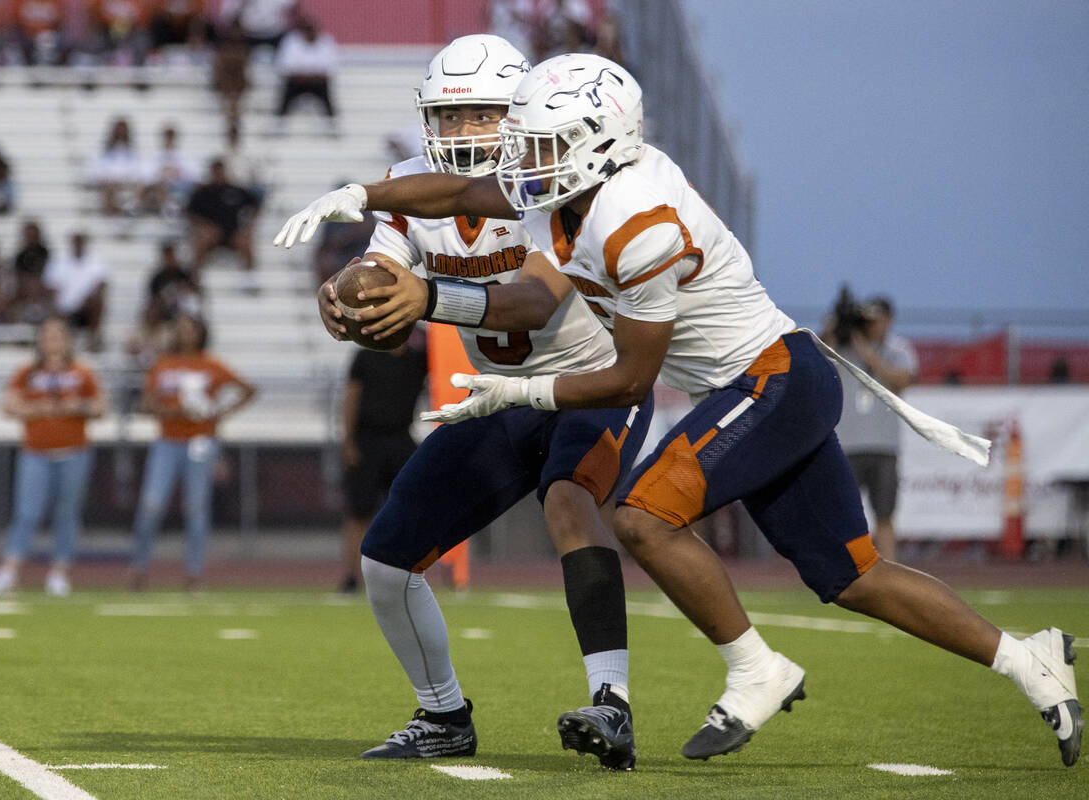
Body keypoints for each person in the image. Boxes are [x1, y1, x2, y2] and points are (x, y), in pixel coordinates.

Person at [275, 53, 1082, 767]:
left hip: (771, 379)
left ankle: (754, 668)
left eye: (540, 143)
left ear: (596, 140)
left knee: (645, 517)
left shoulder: (635, 224)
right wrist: (359, 193)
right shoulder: (575, 188)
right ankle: (1027, 658)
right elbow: (458, 184)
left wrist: (519, 389)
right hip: (757, 380)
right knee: (854, 576)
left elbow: (629, 381)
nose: (523, 160)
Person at [310, 36, 654, 770]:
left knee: (569, 500)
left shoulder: (557, 172)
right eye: (450, 115)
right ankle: (442, 716)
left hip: (590, 380)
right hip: (498, 398)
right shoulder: (412, 185)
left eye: (482, 114)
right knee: (387, 559)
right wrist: (345, 295)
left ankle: (612, 704)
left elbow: (533, 302)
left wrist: (429, 297)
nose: (464, 132)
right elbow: (380, 266)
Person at [130, 313, 256, 591]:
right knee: (151, 505)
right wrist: (174, 411)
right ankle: (140, 568)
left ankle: (194, 573)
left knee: (196, 507)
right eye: (181, 329)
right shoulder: (163, 364)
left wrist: (221, 413)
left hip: (201, 440)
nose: (185, 334)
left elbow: (248, 389)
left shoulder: (210, 364)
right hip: (168, 440)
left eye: (190, 329)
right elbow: (147, 404)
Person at [0, 316, 105, 597]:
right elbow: (10, 405)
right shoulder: (27, 372)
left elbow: (99, 406)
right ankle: (10, 569)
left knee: (66, 513)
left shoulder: (81, 372)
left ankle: (59, 572)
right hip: (36, 451)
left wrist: (76, 406)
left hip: (73, 451)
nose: (52, 340)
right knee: (27, 512)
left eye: (58, 334)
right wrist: (42, 408)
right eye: (47, 335)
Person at [826, 295, 917, 562]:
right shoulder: (844, 349)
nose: (871, 324)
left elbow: (904, 380)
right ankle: (842, 568)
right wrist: (833, 330)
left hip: (884, 446)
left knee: (885, 515)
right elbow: (819, 357)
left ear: (889, 319)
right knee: (843, 514)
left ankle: (890, 570)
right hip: (848, 445)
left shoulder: (898, 349)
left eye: (876, 319)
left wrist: (870, 355)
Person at [336, 331, 429, 594]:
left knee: (408, 509)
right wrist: (348, 440)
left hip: (400, 437)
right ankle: (352, 577)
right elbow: (352, 396)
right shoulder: (366, 356)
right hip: (367, 439)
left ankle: (403, 573)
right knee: (359, 511)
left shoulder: (419, 359)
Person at [186, 158, 260, 292]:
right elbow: (190, 213)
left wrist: (249, 224)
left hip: (232, 233)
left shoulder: (235, 190)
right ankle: (196, 277)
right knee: (201, 239)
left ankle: (249, 278)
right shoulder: (203, 193)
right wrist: (203, 226)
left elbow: (255, 204)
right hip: (211, 234)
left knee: (246, 239)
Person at [44, 231, 108, 351]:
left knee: (98, 303)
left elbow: (101, 285)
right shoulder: (59, 262)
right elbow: (50, 289)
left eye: (80, 242)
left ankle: (93, 339)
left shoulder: (96, 262)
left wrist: (86, 300)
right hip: (64, 308)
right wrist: (58, 306)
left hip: (86, 308)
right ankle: (59, 342)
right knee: (50, 306)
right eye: (75, 242)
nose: (78, 245)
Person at [272, 17, 338, 128]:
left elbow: (330, 70)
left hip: (317, 83)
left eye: (312, 29)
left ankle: (332, 126)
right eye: (307, 30)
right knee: (284, 99)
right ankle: (278, 125)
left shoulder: (326, 41)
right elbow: (284, 68)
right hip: (296, 83)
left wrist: (304, 74)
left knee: (327, 99)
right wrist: (311, 74)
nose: (310, 33)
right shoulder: (291, 41)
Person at [83, 118, 145, 216]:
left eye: (123, 132)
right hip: (109, 184)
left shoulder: (134, 154)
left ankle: (133, 212)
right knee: (109, 187)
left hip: (128, 184)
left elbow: (140, 173)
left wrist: (124, 180)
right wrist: (111, 179)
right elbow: (92, 174)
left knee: (140, 186)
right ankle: (111, 215)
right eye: (118, 132)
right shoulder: (102, 154)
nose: (120, 134)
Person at [8, 219, 53, 324]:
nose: (31, 238)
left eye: (33, 235)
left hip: (41, 287)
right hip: (23, 289)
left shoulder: (45, 252)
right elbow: (18, 275)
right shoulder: (20, 255)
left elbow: (45, 273)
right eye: (29, 235)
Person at [9, 0, 66, 66]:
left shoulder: (55, 2)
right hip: (26, 38)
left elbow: (59, 22)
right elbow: (17, 23)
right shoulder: (20, 2)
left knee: (47, 43)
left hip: (48, 39)